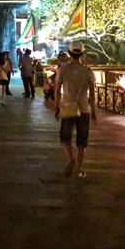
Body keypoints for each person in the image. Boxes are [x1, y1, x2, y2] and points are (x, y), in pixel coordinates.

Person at [54, 41, 97, 179]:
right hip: (84, 110)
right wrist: (94, 112)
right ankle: (79, 169)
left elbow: (57, 92)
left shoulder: (63, 70)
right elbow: (92, 95)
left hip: (67, 108)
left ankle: (71, 160)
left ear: (69, 53)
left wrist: (56, 107)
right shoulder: (88, 72)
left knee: (64, 139)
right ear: (82, 54)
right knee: (81, 142)